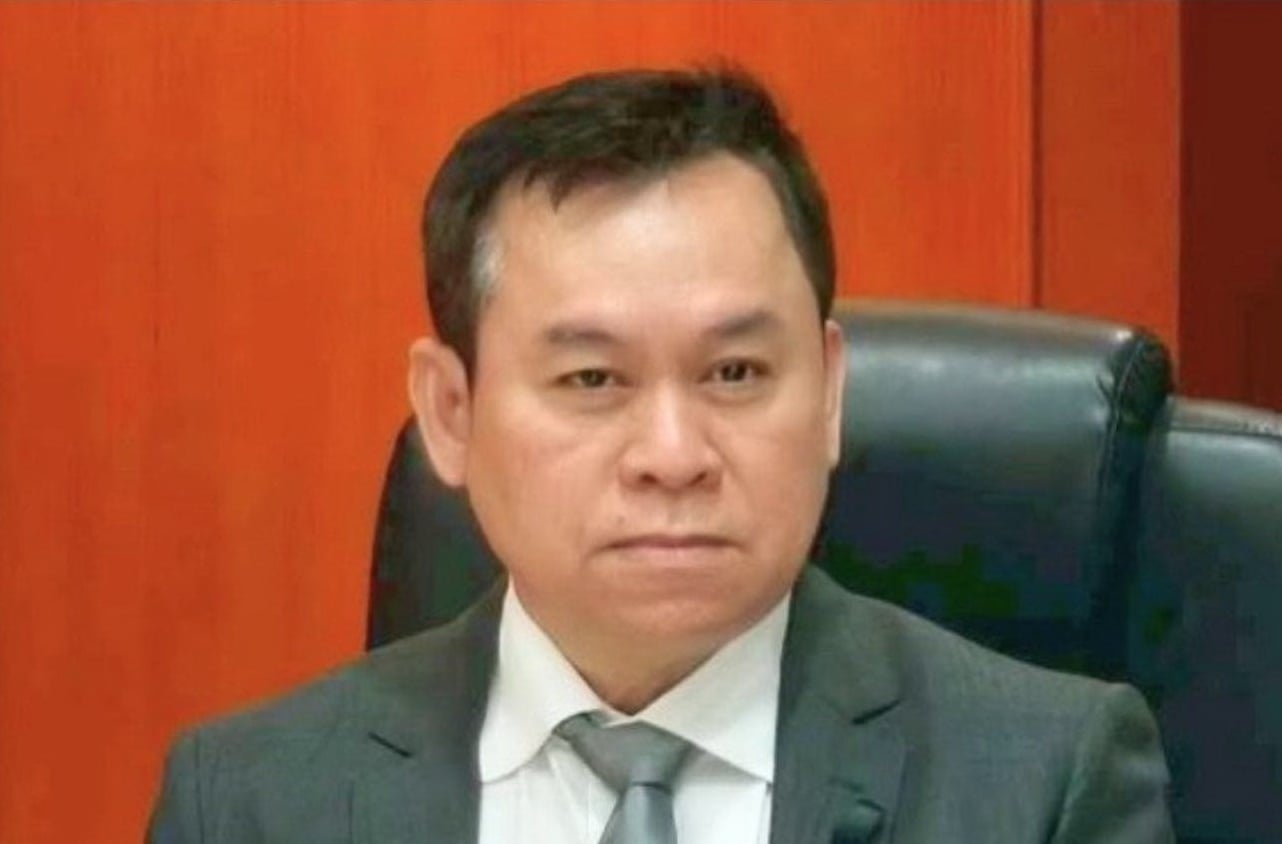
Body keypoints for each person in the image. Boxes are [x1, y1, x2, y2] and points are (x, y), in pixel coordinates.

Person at [148, 67, 1173, 844]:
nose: (674, 456)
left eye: (735, 373)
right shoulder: (252, 802)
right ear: (451, 413)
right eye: (593, 379)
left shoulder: (1042, 783)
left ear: (827, 392)